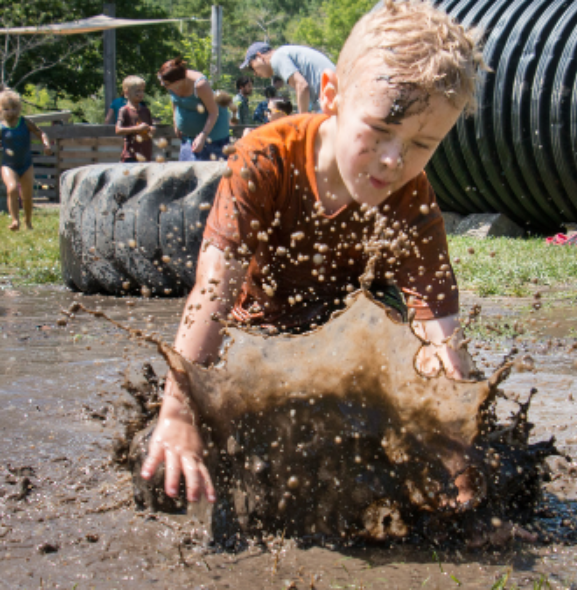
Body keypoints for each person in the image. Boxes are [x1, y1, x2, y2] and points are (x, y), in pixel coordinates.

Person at [142, 0, 485, 505]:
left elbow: (440, 330)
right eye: (382, 131)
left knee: (427, 393)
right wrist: (177, 410)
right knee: (207, 466)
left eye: (422, 143)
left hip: (350, 344)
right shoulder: (266, 158)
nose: (394, 160)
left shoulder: (411, 197)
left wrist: (461, 446)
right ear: (332, 95)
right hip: (257, 333)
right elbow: (214, 289)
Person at [158, 58, 230, 161]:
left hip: (212, 137)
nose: (162, 85)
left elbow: (214, 112)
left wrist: (203, 136)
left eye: (165, 84)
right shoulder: (171, 81)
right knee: (185, 174)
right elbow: (175, 102)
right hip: (187, 138)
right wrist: (176, 123)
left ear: (178, 82)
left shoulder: (200, 85)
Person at [0, 90, 52, 231]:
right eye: (6, 109)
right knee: (11, 189)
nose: (10, 112)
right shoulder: (1, 126)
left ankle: (28, 222)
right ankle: (15, 221)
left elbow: (41, 133)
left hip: (26, 164)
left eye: (14, 108)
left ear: (19, 107)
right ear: (1, 109)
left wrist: (46, 144)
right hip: (8, 165)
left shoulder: (25, 122)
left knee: (27, 196)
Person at [241, 41, 335, 113]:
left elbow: (302, 86)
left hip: (332, 100)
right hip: (333, 98)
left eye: (251, 66)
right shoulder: (284, 53)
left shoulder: (276, 58)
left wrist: (301, 121)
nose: (254, 73)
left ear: (259, 56)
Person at [115, 76, 155, 163]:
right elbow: (118, 130)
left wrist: (152, 129)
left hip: (145, 154)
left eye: (142, 90)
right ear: (127, 93)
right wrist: (137, 129)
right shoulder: (124, 110)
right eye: (137, 91)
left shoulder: (145, 110)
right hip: (130, 155)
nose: (141, 93)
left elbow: (150, 127)